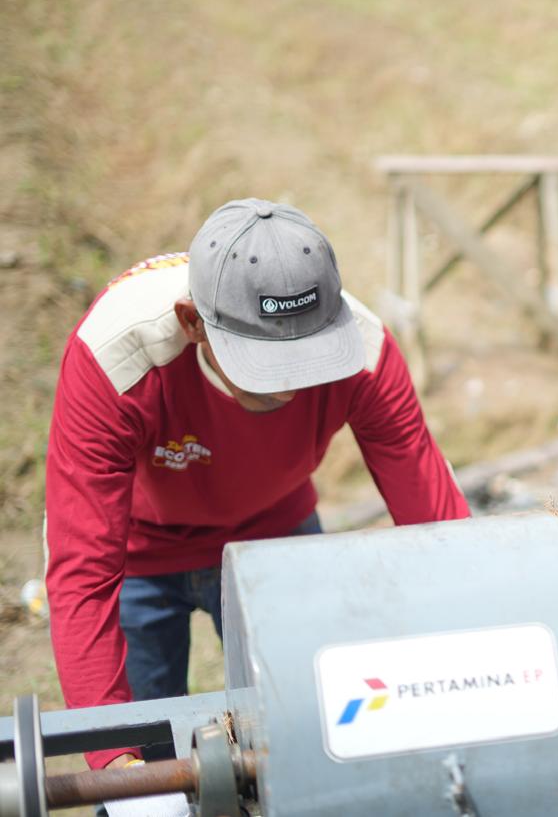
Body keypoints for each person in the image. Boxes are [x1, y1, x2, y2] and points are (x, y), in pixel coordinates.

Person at [45, 198, 470, 778]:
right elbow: (82, 569)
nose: (293, 388)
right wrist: (116, 762)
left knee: (309, 747)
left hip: (275, 535)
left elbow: (440, 528)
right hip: (138, 556)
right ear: (193, 322)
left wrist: (477, 659)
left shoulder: (365, 353)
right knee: (144, 762)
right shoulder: (115, 358)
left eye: (308, 359)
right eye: (269, 365)